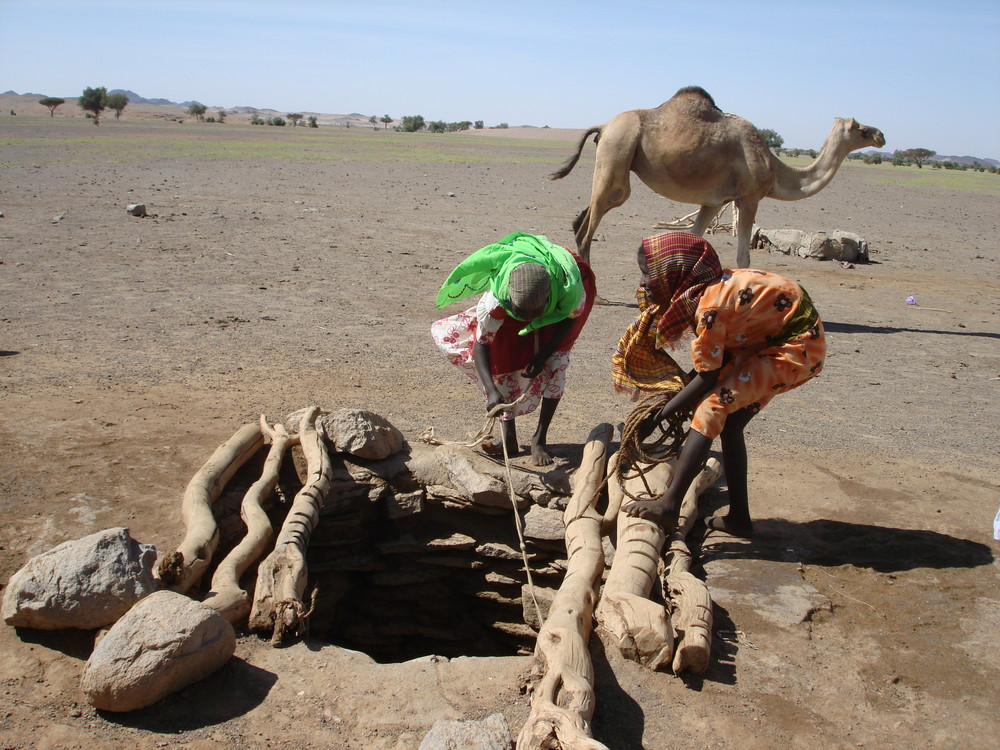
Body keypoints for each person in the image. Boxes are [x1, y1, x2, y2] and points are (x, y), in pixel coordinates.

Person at [612, 231, 826, 536]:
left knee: (712, 406)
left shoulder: (709, 307)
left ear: (675, 271)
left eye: (650, 272)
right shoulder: (706, 290)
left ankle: (670, 506)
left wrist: (656, 418)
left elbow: (707, 377)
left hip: (794, 348)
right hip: (761, 342)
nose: (645, 281)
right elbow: (708, 366)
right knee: (731, 423)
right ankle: (739, 518)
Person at [432, 231, 596, 466]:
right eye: (522, 313)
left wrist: (543, 355)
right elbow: (482, 345)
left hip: (557, 312)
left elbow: (570, 319)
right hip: (525, 309)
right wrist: (490, 390)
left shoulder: (569, 293)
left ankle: (540, 439)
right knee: (504, 360)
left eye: (533, 314)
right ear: (510, 301)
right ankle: (509, 437)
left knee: (557, 365)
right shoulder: (496, 303)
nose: (528, 318)